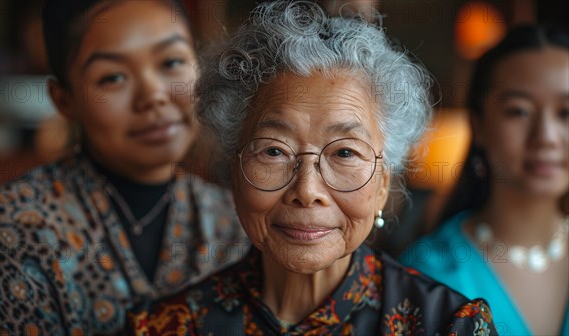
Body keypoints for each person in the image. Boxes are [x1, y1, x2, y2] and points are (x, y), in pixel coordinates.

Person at [129, 1, 499, 334]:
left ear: (383, 184)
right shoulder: (166, 327)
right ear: (235, 169)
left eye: (344, 154)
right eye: (274, 151)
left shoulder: (447, 325)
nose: (307, 191)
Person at [0, 0, 248, 334]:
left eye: (172, 61)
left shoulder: (233, 222)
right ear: (64, 100)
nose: (153, 96)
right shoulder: (15, 224)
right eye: (113, 77)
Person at [400, 25, 569, 336]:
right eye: (519, 111)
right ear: (478, 125)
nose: (546, 137)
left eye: (565, 113)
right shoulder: (426, 277)